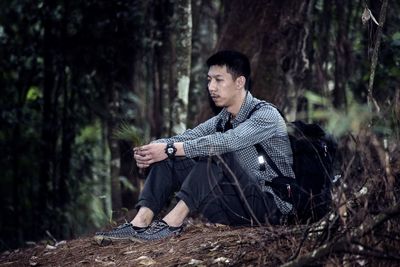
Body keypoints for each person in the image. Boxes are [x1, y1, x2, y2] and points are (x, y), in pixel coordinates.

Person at [94, 50, 295, 243]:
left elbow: (227, 141)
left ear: (239, 82)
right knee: (170, 156)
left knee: (216, 150)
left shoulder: (266, 115)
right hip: (236, 208)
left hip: (271, 209)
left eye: (218, 80)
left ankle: (171, 224)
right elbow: (189, 136)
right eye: (209, 80)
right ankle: (140, 221)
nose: (211, 87)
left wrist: (170, 148)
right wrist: (154, 149)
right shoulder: (223, 118)